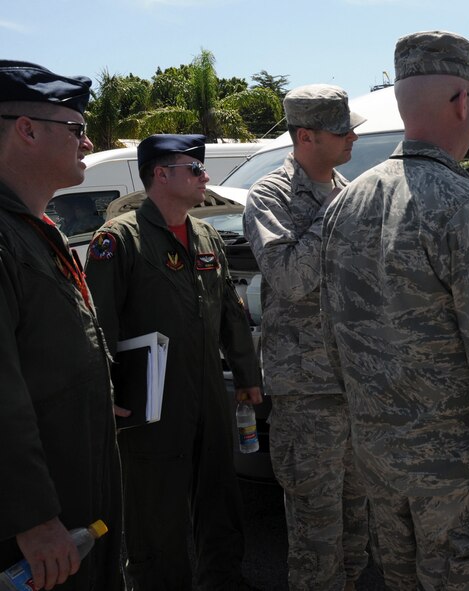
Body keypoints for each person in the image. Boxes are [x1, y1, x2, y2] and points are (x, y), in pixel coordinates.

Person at [320, 30, 469, 591]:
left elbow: (334, 342)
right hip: (456, 481)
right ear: (462, 102)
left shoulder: (345, 204)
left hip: (382, 468)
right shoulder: (464, 205)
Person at [84, 134, 262, 590]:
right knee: (154, 510)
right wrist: (105, 393)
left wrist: (246, 375)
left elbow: (229, 309)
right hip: (150, 399)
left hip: (205, 389)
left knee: (220, 498)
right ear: (161, 174)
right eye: (195, 169)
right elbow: (96, 324)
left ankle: (222, 581)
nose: (206, 177)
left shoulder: (204, 234)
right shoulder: (118, 240)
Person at [0, 61, 123, 590]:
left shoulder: (34, 229)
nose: (89, 142)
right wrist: (31, 516)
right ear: (26, 130)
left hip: (74, 501)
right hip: (35, 534)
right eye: (76, 128)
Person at [242, 84, 369, 591]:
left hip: (355, 387)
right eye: (342, 131)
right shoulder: (270, 195)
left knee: (357, 531)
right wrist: (336, 216)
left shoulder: (348, 189)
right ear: (305, 136)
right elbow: (291, 279)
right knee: (316, 541)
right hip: (307, 396)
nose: (352, 138)